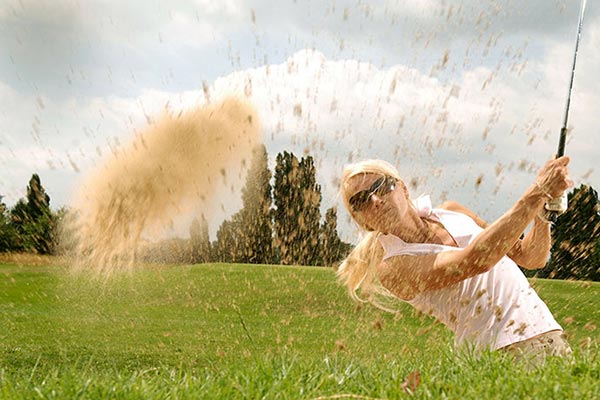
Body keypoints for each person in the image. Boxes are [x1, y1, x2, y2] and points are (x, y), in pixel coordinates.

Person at [337, 157, 573, 364]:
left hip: (548, 333)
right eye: (361, 201)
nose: (376, 200)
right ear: (364, 222)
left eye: (381, 186)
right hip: (499, 354)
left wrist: (544, 211)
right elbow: (477, 260)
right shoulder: (393, 267)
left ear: (403, 188)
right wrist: (538, 191)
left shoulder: (452, 210)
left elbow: (531, 256)